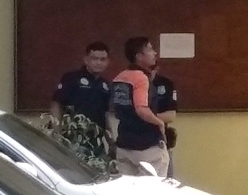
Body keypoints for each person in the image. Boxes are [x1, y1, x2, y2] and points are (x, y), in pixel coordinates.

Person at [112, 37, 169, 177]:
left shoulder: (119, 77)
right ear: (139, 56)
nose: (154, 53)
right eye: (150, 49)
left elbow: (115, 109)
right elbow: (141, 109)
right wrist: (159, 123)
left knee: (127, 193)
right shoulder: (141, 77)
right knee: (151, 191)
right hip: (147, 146)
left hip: (124, 143)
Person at [50, 41, 113, 155]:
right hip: (73, 139)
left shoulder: (105, 85)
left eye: (102, 59)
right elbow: (56, 104)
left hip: (97, 142)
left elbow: (106, 114)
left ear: (108, 62)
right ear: (86, 60)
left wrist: (111, 141)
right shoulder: (72, 78)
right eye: (94, 59)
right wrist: (57, 134)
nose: (98, 63)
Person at [150, 64, 178, 178]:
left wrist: (145, 116)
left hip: (161, 142)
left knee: (168, 182)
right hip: (136, 144)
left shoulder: (165, 84)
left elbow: (171, 115)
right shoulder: (130, 82)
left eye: (152, 69)